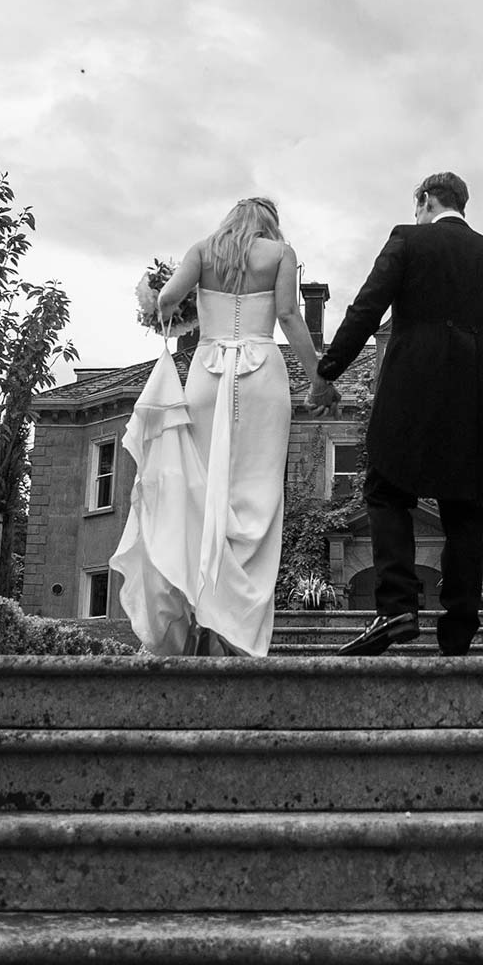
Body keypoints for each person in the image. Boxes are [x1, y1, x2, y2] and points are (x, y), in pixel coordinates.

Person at [309, 172, 483, 656]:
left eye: (418, 207)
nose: (416, 215)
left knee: (386, 489)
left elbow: (366, 311)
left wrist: (327, 371)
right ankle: (459, 629)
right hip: (473, 399)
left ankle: (397, 608)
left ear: (426, 200)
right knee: (465, 510)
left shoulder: (408, 240)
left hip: (410, 389)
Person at [111, 197, 322, 656]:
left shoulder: (204, 250)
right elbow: (288, 315)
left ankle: (199, 610)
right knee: (257, 495)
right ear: (270, 223)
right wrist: (319, 378)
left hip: (206, 374)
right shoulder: (280, 254)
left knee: (204, 490)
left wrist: (185, 310)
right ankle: (235, 625)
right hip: (262, 373)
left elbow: (166, 302)